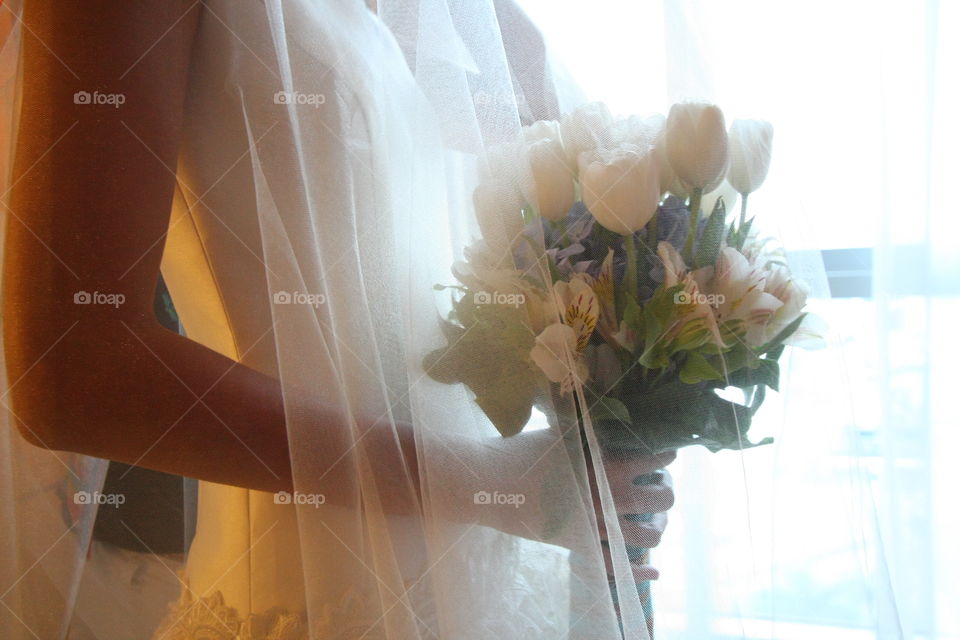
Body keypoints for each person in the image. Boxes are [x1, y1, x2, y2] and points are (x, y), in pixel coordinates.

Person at [2, 1, 674, 637]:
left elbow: (565, 158)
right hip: (313, 603)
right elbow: (70, 373)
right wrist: (485, 482)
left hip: (494, 571)